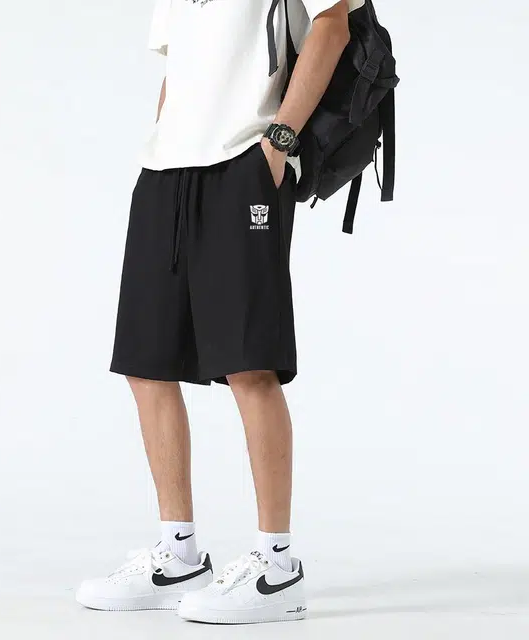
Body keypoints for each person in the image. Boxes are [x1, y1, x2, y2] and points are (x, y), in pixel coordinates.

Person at [77, 0, 360, 625]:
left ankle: (277, 566)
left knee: (249, 363)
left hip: (244, 165)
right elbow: (178, 69)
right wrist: (161, 144)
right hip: (164, 171)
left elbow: (333, 22)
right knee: (147, 362)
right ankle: (179, 554)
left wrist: (279, 142)